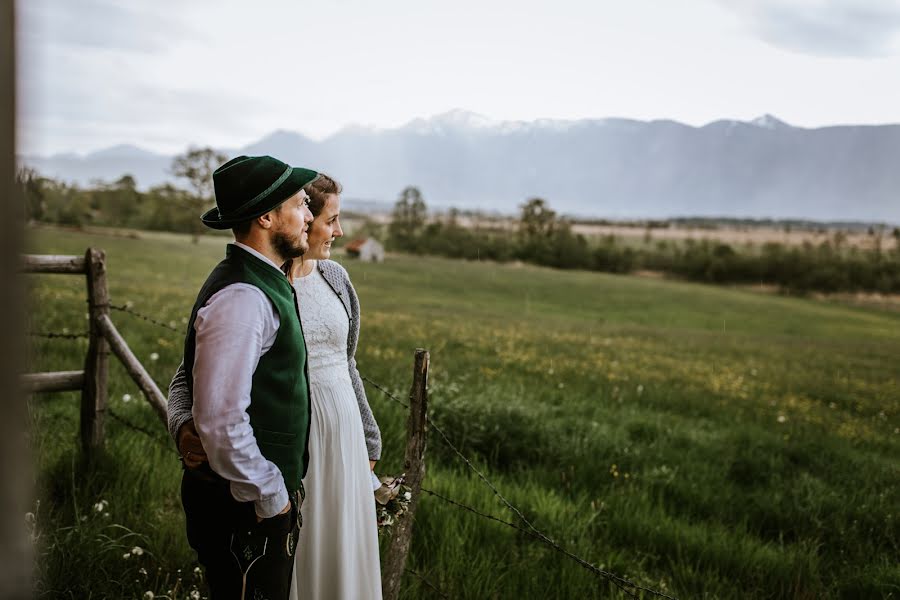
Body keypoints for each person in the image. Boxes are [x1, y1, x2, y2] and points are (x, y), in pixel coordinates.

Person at [168, 173, 383, 600]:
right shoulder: (248, 291)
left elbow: (347, 362)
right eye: (311, 211)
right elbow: (196, 377)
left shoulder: (331, 279)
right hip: (278, 460)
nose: (328, 227)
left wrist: (368, 441)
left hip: (337, 441)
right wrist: (182, 424)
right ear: (268, 217)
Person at [174, 154, 318, 600]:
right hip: (243, 511)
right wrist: (269, 493)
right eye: (300, 204)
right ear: (267, 216)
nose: (309, 216)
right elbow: (220, 418)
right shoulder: (244, 296)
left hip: (250, 505)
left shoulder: (262, 281)